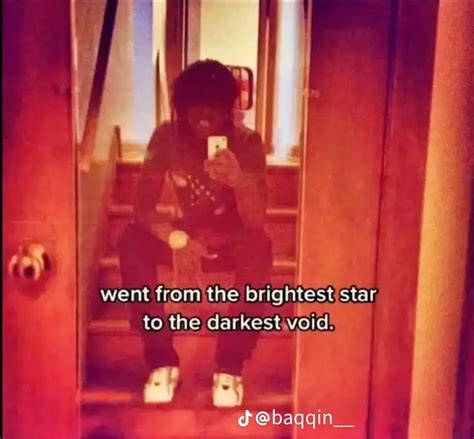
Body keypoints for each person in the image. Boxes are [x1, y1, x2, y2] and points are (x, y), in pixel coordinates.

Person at [118, 60, 272, 408]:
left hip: (230, 239)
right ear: (181, 106)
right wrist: (177, 239)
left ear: (228, 107)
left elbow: (256, 221)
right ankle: (161, 360)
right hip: (185, 235)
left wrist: (239, 181)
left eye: (214, 104)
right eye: (194, 104)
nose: (204, 114)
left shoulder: (247, 142)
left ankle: (230, 366)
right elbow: (142, 207)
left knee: (259, 246)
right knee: (131, 240)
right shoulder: (167, 137)